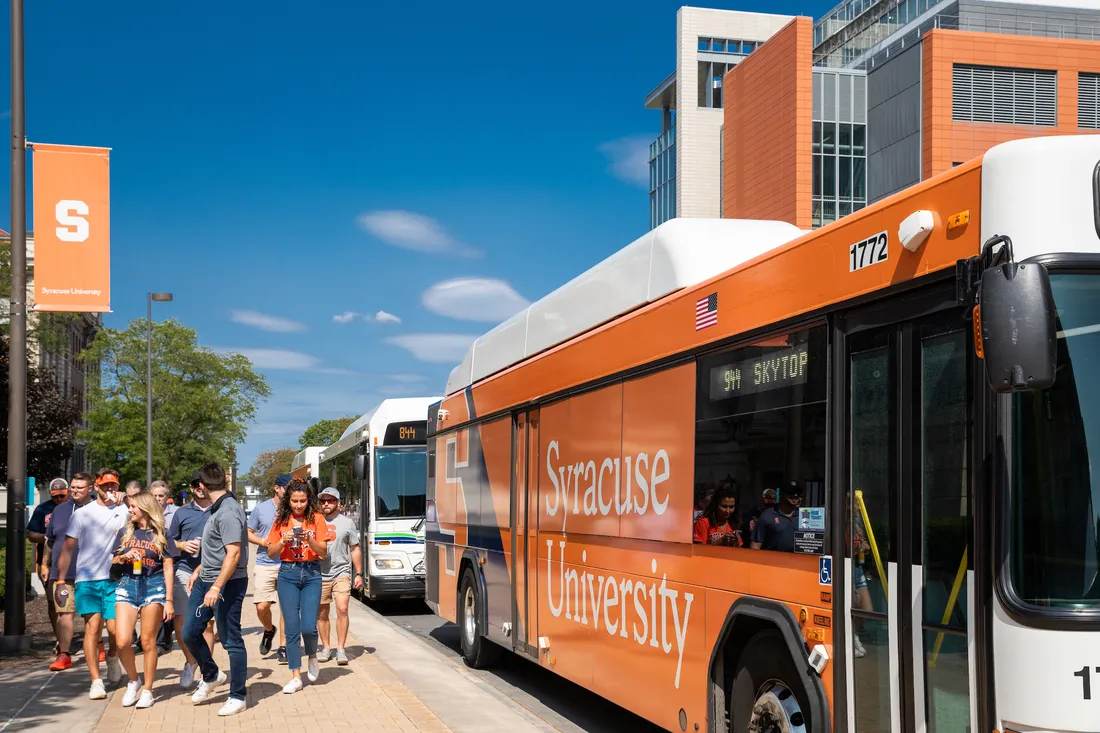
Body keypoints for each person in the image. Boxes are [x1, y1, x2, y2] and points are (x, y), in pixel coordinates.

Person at [55, 468, 129, 700]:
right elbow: (67, 548)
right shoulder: (83, 514)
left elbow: (147, 510)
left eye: (113, 485)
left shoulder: (124, 509)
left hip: (114, 578)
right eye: (105, 485)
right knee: (92, 628)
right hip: (87, 578)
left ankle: (113, 656)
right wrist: (60, 580)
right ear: (96, 486)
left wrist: (126, 497)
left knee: (117, 631)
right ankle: (96, 680)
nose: (109, 489)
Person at [183, 462, 249, 717]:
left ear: (201, 486)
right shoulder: (218, 508)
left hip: (227, 585)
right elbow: (218, 549)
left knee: (231, 639)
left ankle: (238, 696)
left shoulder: (229, 511)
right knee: (189, 632)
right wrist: (200, 568)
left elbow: (233, 554)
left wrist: (217, 586)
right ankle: (211, 675)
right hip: (206, 581)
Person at [266, 478, 333, 693]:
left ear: (308, 500)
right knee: (292, 627)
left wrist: (309, 539)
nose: (298, 505)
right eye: (294, 500)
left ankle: (312, 655)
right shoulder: (281, 520)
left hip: (312, 573)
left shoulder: (317, 519)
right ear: (288, 500)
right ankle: (296, 675)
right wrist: (283, 541)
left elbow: (323, 552)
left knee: (309, 627)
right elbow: (271, 552)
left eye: (302, 501)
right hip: (288, 574)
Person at [111, 491, 178, 709]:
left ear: (145, 508)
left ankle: (148, 689)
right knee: (121, 640)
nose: (129, 510)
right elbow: (113, 560)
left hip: (154, 587)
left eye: (133, 507)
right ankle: (133, 679)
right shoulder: (125, 532)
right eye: (129, 507)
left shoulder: (162, 533)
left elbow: (168, 567)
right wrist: (124, 557)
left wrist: (169, 600)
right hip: (127, 585)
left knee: (148, 641)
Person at [167, 472, 216, 685]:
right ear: (192, 486)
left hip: (212, 571)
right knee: (182, 620)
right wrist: (182, 545)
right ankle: (190, 662)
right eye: (196, 484)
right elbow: (169, 542)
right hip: (185, 570)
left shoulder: (219, 508)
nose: (200, 487)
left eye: (203, 484)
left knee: (206, 624)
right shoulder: (182, 512)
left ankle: (207, 670)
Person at [43, 473, 94, 671]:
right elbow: (50, 540)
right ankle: (65, 654)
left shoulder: (97, 509)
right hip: (62, 574)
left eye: (80, 487)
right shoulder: (60, 510)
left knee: (91, 614)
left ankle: (97, 645)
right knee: (64, 614)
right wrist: (46, 565)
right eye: (73, 487)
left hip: (90, 573)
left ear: (90, 488)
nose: (75, 491)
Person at [316, 487, 362, 665]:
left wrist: (359, 573)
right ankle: (326, 647)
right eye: (323, 501)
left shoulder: (347, 523)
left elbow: (355, 548)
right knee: (322, 613)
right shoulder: (315, 521)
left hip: (342, 572)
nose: (326, 504)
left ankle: (341, 649)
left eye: (330, 500)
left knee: (342, 609)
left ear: (337, 503)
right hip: (320, 573)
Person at [248, 473, 289, 663]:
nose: (289, 492)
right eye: (286, 488)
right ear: (277, 488)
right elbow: (248, 533)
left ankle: (283, 646)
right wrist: (263, 541)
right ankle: (268, 630)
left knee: (287, 607)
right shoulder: (261, 509)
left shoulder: (294, 508)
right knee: (262, 606)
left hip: (288, 562)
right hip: (265, 562)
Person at [28, 478, 70, 654]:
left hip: (75, 561)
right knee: (54, 602)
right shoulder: (43, 509)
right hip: (49, 563)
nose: (59, 499)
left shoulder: (77, 507)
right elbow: (31, 534)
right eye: (55, 496)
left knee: (76, 602)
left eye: (62, 495)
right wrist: (49, 536)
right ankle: (61, 640)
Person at [149, 480, 178, 653]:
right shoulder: (143, 513)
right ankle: (157, 638)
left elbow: (178, 539)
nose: (158, 499)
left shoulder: (176, 514)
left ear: (167, 498)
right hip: (150, 563)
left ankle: (164, 637)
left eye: (161, 496)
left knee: (168, 600)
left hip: (171, 561)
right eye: (154, 496)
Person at [750, 481, 802, 553]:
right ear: (781, 494)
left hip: (799, 562)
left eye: (798, 493)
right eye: (791, 492)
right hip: (772, 563)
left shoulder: (804, 516)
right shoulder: (767, 516)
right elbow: (755, 546)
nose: (795, 495)